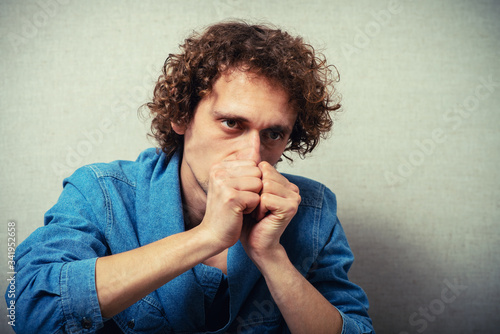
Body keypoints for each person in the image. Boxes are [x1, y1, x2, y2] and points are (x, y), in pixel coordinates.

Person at [7, 21, 374, 333]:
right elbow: (30, 312)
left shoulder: (311, 210)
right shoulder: (102, 193)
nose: (252, 154)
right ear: (181, 116)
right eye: (232, 123)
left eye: (273, 134)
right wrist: (206, 237)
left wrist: (271, 256)